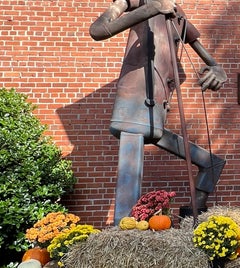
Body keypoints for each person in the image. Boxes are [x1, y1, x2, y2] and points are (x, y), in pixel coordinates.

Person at [89, 0, 227, 223]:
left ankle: (193, 217)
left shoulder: (176, 15)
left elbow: (207, 57)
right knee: (129, 183)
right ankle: (123, 236)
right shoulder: (138, 1)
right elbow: (97, 30)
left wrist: (217, 68)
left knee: (211, 163)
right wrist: (149, 9)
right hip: (134, 105)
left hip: (156, 113)